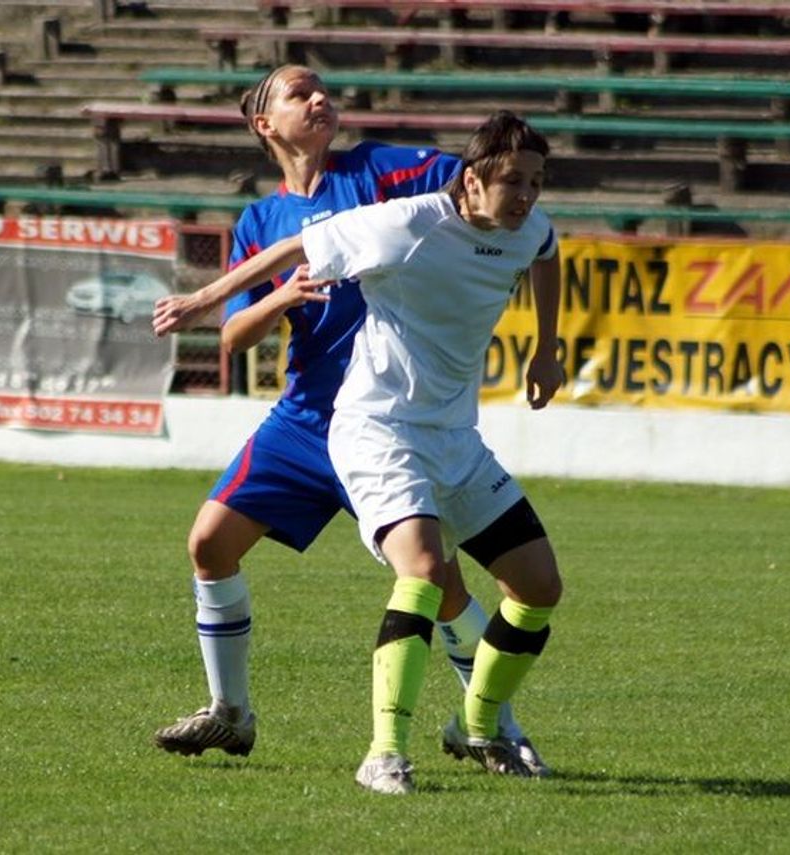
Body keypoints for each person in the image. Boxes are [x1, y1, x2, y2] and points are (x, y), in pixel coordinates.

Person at [150, 67, 548, 776]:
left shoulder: (380, 171)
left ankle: (496, 726)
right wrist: (283, 298)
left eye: (323, 88)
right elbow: (236, 338)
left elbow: (476, 182)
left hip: (396, 417)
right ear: (265, 124)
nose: (320, 99)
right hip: (308, 418)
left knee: (441, 584)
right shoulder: (260, 221)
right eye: (299, 93)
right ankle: (231, 713)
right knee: (209, 542)